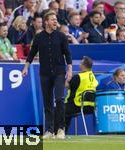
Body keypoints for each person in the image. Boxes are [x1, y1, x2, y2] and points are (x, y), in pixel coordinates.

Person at [22, 11, 72, 139]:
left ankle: (61, 129)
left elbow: (68, 54)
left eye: (56, 19)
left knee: (60, 99)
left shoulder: (61, 36)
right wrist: (26, 68)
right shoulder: (39, 37)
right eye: (52, 19)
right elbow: (32, 53)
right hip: (44, 73)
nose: (55, 21)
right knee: (47, 102)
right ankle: (49, 130)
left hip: (59, 72)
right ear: (46, 22)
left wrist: (69, 70)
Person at [65, 56, 98, 133]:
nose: (79, 64)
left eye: (80, 63)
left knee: (60, 110)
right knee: (66, 110)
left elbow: (67, 85)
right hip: (91, 107)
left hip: (78, 105)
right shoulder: (92, 76)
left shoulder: (79, 77)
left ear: (83, 65)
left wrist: (66, 78)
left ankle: (60, 132)